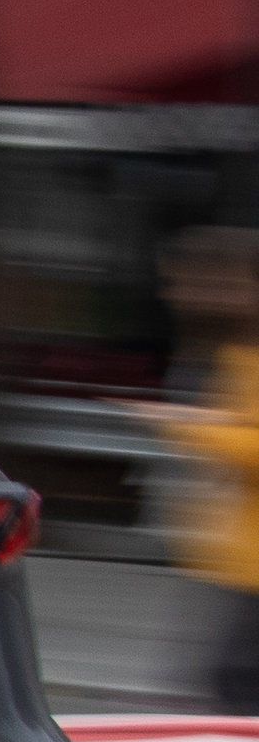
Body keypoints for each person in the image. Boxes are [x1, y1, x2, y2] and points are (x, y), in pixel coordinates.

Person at [151, 228, 259, 710]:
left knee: (235, 689)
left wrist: (188, 426)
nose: (174, 295)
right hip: (234, 561)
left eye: (188, 282)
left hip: (250, 566)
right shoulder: (231, 352)